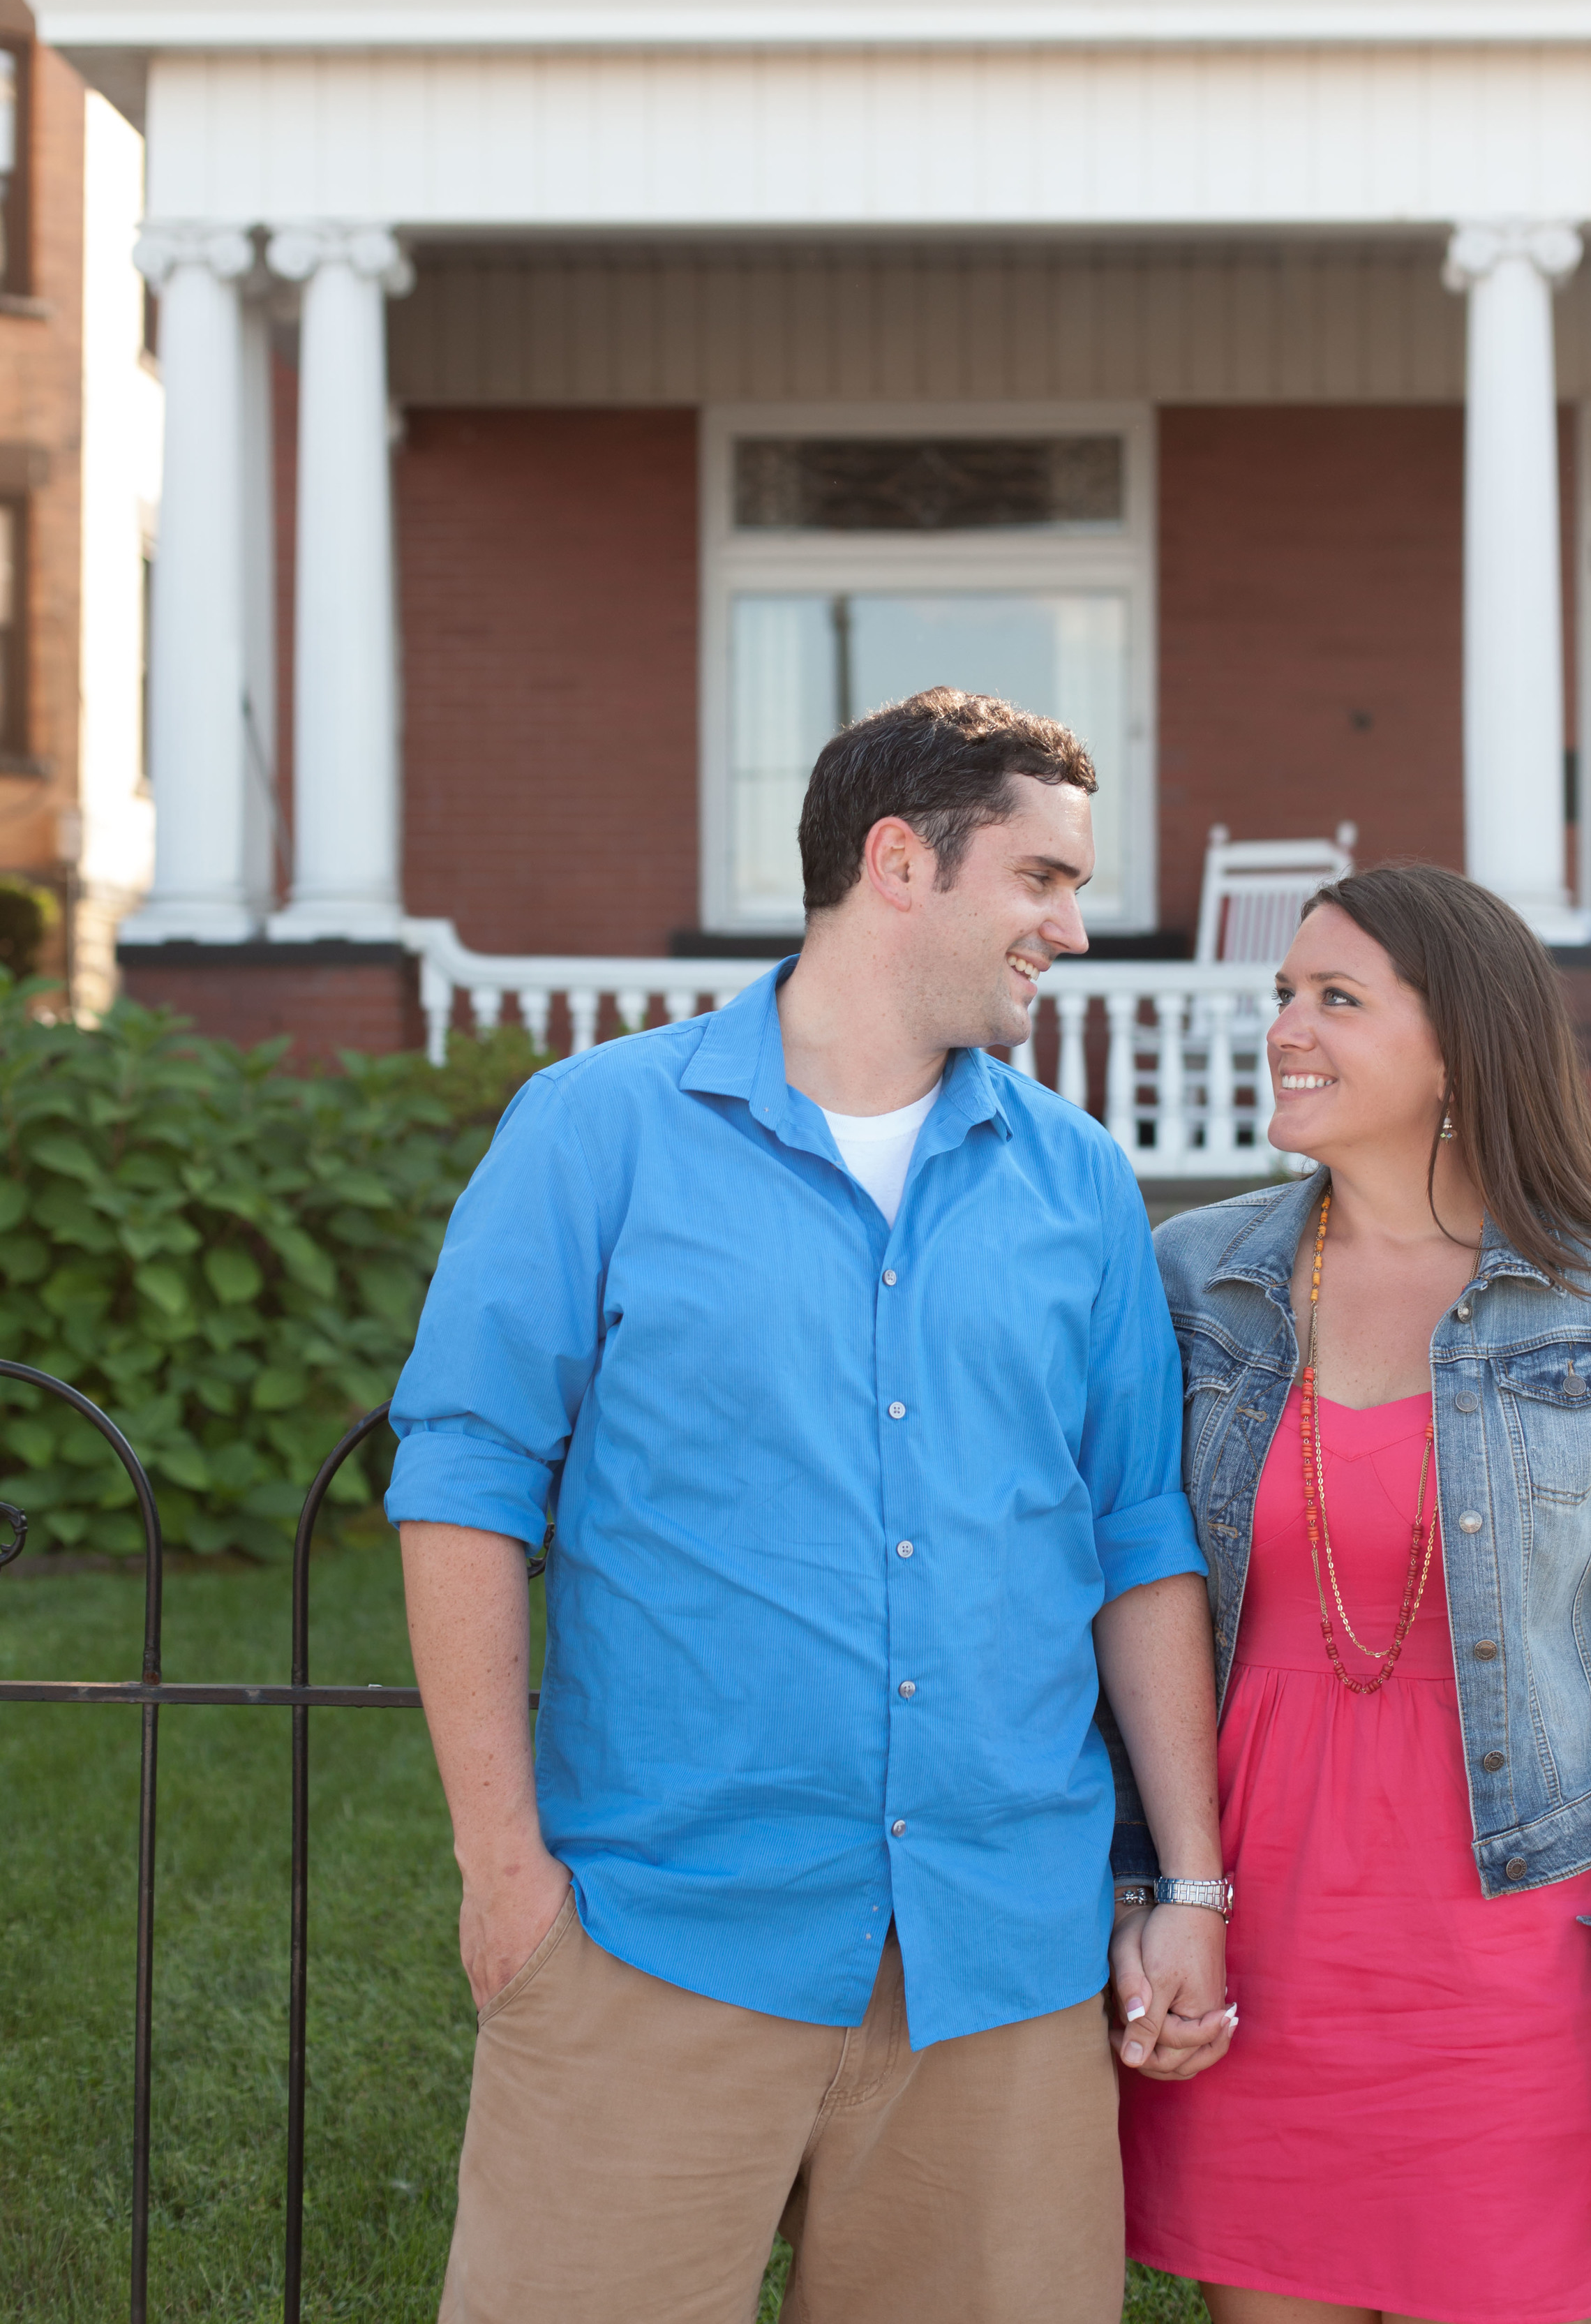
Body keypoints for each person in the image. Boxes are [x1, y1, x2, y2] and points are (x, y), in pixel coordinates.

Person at [386, 686, 1231, 2324]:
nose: (1073, 926)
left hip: (999, 1969)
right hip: (656, 1935)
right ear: (898, 860)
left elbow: (1134, 1537)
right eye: (1042, 880)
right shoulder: (597, 1131)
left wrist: (1184, 1884)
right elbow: (466, 1488)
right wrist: (503, 1873)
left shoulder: (1076, 1180)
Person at [1107, 860, 1591, 2324]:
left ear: (1460, 1041)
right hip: (1250, 1944)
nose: (1283, 1028)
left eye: (1334, 998)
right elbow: (1122, 1606)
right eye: (1280, 995)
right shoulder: (1193, 1283)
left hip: (1513, 1974)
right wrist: (1150, 1894)